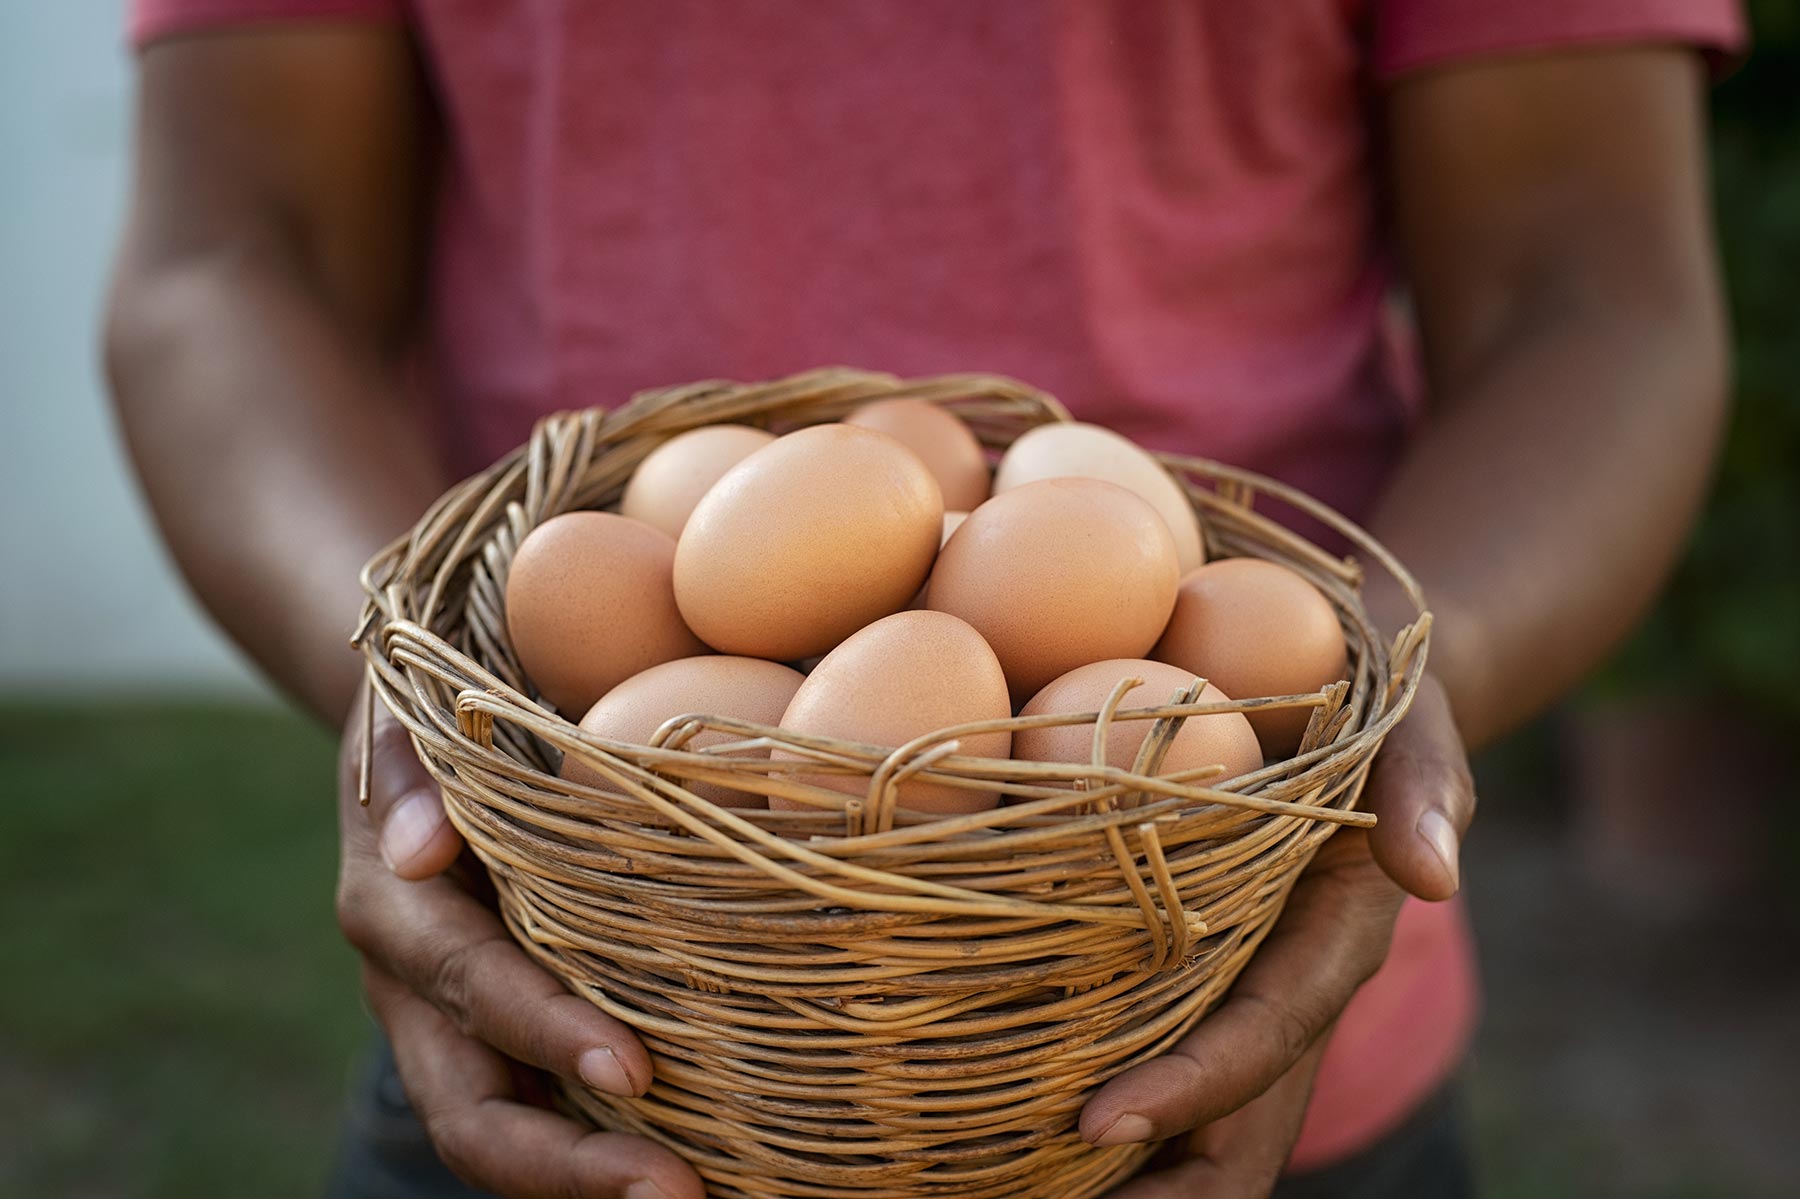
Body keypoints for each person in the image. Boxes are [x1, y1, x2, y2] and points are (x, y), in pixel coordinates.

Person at [105, 3, 1743, 1196]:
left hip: (1230, 1018)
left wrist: (1379, 707)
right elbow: (237, 258)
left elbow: (1587, 292)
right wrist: (425, 719)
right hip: (583, 996)